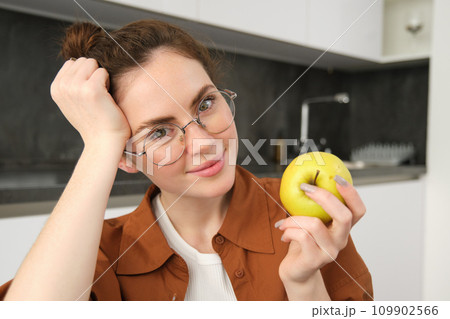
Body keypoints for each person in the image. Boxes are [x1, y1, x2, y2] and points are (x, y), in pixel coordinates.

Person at [0, 20, 373, 301]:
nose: (204, 143)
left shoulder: (308, 219)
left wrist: (304, 284)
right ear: (126, 157)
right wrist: (101, 143)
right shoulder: (100, 254)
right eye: (160, 132)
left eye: (206, 103)